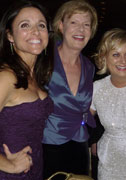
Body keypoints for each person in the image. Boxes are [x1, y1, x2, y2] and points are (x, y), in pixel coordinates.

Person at [42, 0, 98, 179]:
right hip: (45, 145)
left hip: (80, 145)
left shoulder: (90, 67)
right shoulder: (43, 60)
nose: (81, 29)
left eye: (86, 24)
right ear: (61, 25)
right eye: (74, 22)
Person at [0, 0, 53, 179]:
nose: (36, 31)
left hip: (34, 169)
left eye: (41, 25)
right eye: (25, 25)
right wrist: (7, 164)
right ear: (10, 36)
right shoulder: (6, 77)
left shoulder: (36, 77)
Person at [90, 28, 126, 180]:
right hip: (109, 168)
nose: (123, 60)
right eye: (116, 54)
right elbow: (80, 120)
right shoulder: (97, 88)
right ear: (103, 58)